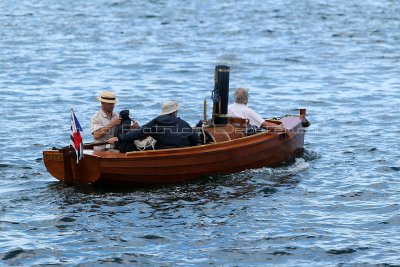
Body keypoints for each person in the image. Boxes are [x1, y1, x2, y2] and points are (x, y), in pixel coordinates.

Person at [107, 100, 198, 150]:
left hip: (162, 153)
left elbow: (140, 132)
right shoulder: (184, 123)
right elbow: (194, 139)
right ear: (175, 111)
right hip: (181, 153)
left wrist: (119, 138)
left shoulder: (156, 122)